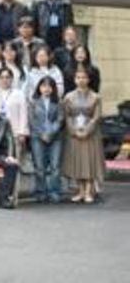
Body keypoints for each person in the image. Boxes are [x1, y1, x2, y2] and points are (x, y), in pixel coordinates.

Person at [61, 69, 104, 203]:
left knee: (89, 161)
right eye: (78, 77)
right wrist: (73, 130)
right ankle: (80, 190)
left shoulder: (95, 97)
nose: (81, 80)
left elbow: (96, 117)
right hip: (74, 133)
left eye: (84, 77)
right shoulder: (68, 97)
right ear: (74, 80)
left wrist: (87, 130)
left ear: (88, 80)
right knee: (77, 162)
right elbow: (67, 116)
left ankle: (88, 191)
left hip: (90, 134)